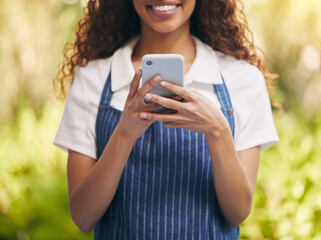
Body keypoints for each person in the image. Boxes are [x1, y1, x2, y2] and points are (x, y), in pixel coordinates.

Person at [53, 0, 279, 239]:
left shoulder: (243, 80)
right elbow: (83, 216)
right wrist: (124, 133)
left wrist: (219, 132)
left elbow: (238, 213)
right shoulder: (92, 80)